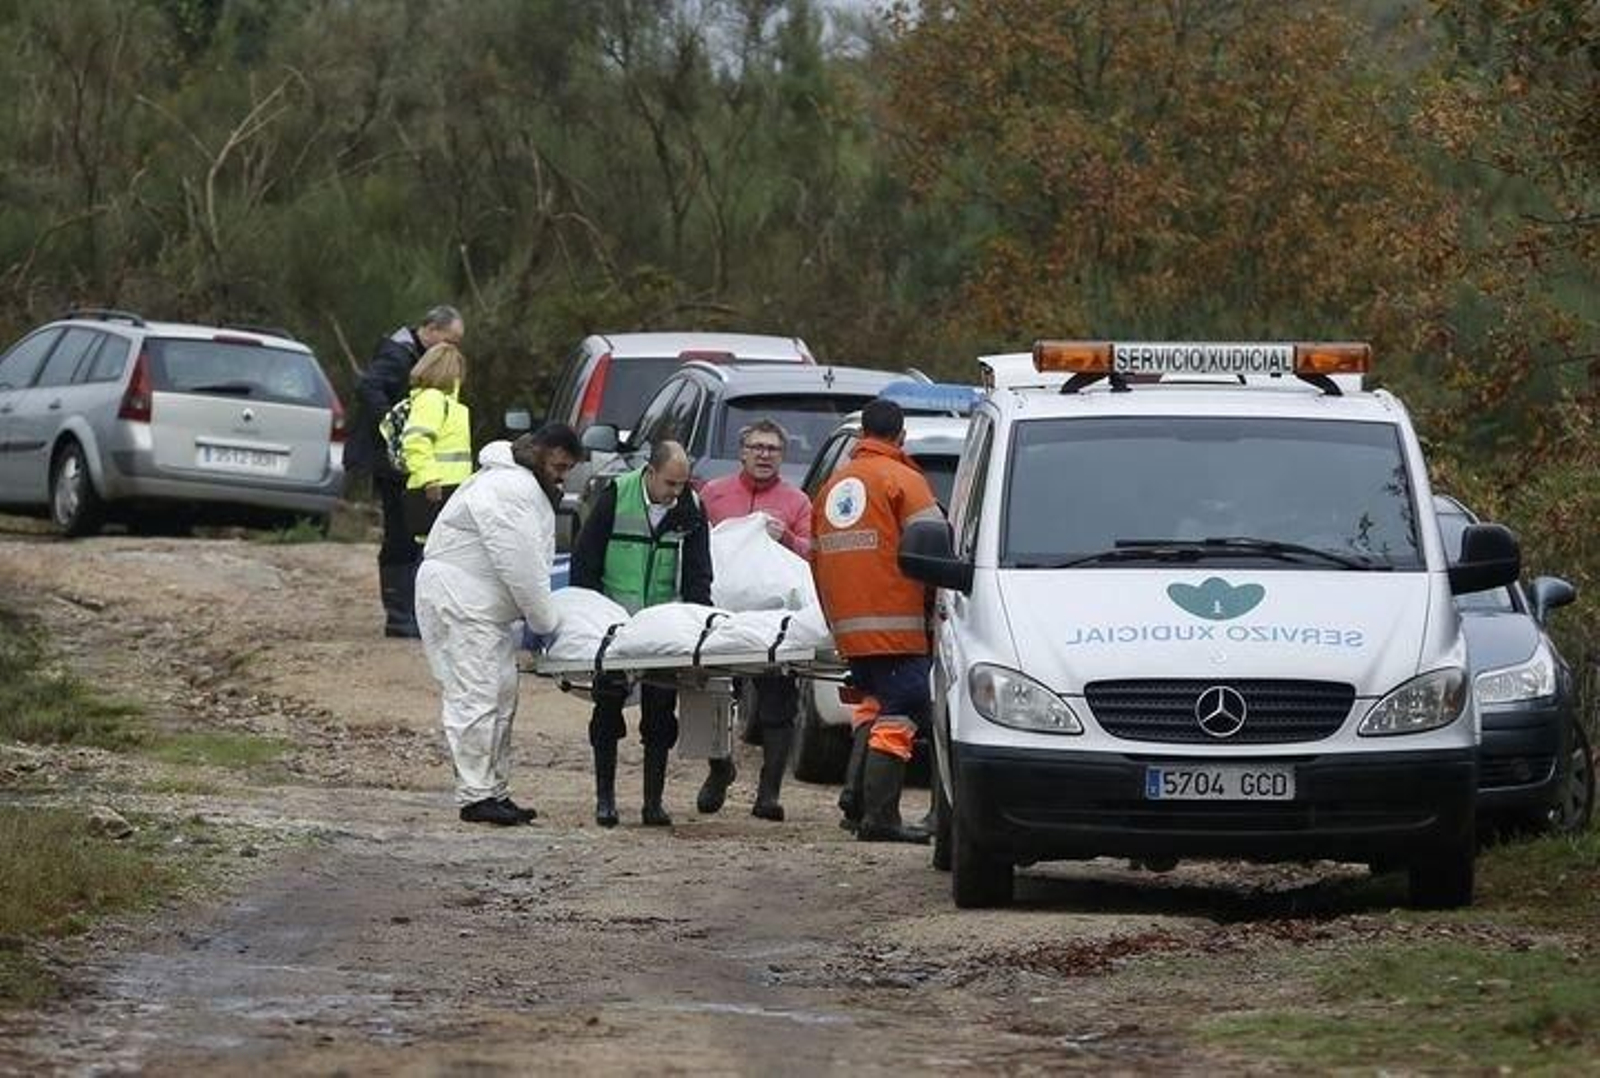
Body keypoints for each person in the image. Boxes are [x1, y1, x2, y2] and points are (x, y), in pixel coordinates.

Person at [413, 424, 583, 826]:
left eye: (568, 470)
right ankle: (476, 797)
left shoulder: (519, 485)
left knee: (501, 693)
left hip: (481, 606)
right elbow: (520, 565)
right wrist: (545, 620)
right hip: (463, 601)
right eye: (559, 466)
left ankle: (493, 790)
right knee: (477, 694)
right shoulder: (512, 489)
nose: (562, 476)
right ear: (541, 454)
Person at [811, 398, 944, 844]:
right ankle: (880, 818)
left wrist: (837, 621)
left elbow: (816, 560)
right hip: (900, 627)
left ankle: (855, 800)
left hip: (850, 628)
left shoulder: (832, 486)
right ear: (901, 436)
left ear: (861, 434)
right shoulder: (904, 480)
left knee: (873, 707)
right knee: (904, 712)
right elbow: (935, 551)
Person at [571, 441, 713, 828]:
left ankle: (654, 802)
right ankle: (606, 800)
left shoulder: (692, 508)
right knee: (607, 709)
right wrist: (589, 617)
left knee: (660, 715)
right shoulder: (617, 496)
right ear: (650, 472)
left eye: (682, 484)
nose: (676, 492)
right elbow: (586, 560)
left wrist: (696, 627)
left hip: (663, 628)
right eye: (670, 483)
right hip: (614, 624)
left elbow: (699, 575)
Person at [696, 419, 811, 821]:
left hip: (773, 621)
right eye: (757, 447)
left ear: (782, 456)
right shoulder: (713, 494)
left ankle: (769, 792)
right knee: (710, 694)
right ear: (742, 451)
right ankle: (718, 768)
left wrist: (789, 541)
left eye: (773, 449)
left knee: (778, 701)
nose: (764, 455)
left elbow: (814, 555)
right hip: (721, 615)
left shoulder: (796, 501)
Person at [345, 305, 465, 638]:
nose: (452, 348)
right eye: (450, 340)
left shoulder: (413, 355)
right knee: (400, 534)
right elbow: (368, 388)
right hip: (393, 463)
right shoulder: (397, 355)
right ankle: (398, 613)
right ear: (432, 329)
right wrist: (394, 421)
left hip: (406, 463)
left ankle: (408, 609)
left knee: (413, 536)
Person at [400, 342, 473, 544]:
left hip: (449, 493)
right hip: (434, 493)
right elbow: (416, 441)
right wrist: (430, 479)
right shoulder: (432, 400)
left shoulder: (450, 405)